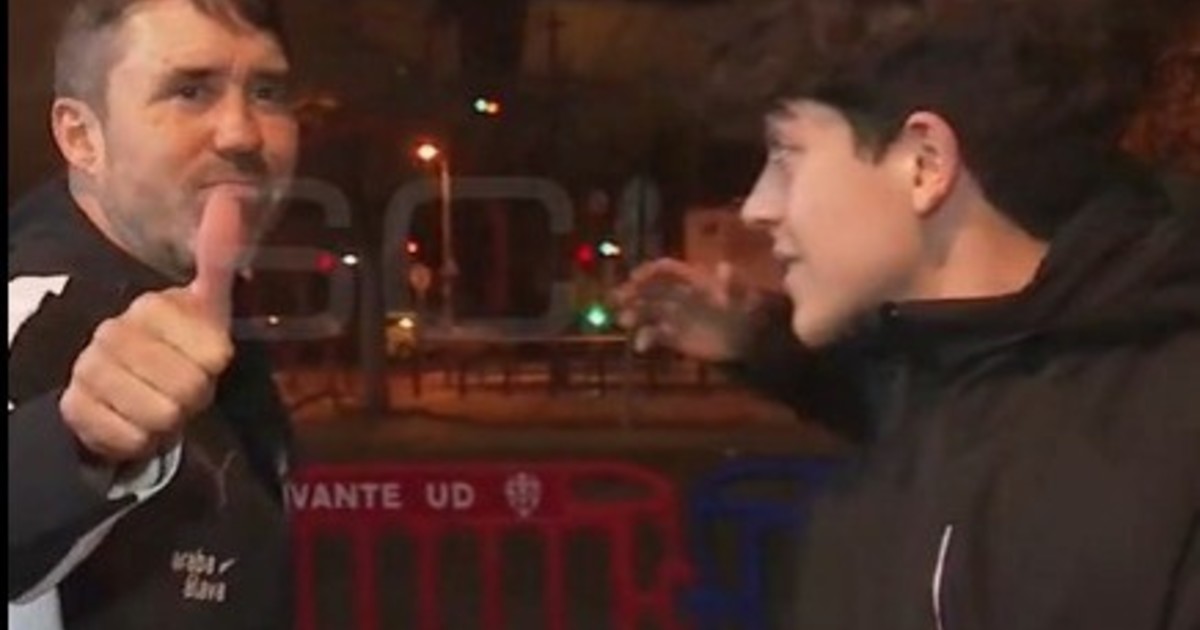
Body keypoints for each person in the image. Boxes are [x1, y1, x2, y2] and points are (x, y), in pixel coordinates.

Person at [615, 2, 1199, 629]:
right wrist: (755, 340)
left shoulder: (1157, 453)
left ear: (924, 163)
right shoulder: (947, 376)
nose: (757, 207)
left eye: (785, 156)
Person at [8, 0, 298, 628]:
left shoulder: (216, 315)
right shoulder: (30, 313)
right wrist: (75, 443)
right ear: (82, 137)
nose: (243, 133)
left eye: (267, 92)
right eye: (190, 90)